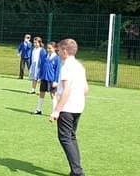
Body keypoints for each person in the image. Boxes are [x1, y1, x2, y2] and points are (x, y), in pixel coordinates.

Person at [50, 38, 88, 176]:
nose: (58, 52)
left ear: (65, 51)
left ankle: (77, 172)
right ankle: (76, 170)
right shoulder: (80, 66)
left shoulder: (66, 67)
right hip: (78, 107)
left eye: (59, 50)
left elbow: (66, 90)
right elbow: (85, 89)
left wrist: (56, 110)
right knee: (71, 137)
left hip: (67, 108)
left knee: (65, 138)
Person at [33, 41, 60, 115]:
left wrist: (56, 81)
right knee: (41, 93)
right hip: (44, 79)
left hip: (51, 80)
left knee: (53, 95)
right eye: (47, 48)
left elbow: (57, 71)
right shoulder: (45, 56)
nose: (48, 50)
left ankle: (55, 111)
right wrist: (40, 77)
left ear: (54, 48)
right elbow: (41, 68)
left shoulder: (57, 58)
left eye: (50, 48)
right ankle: (38, 109)